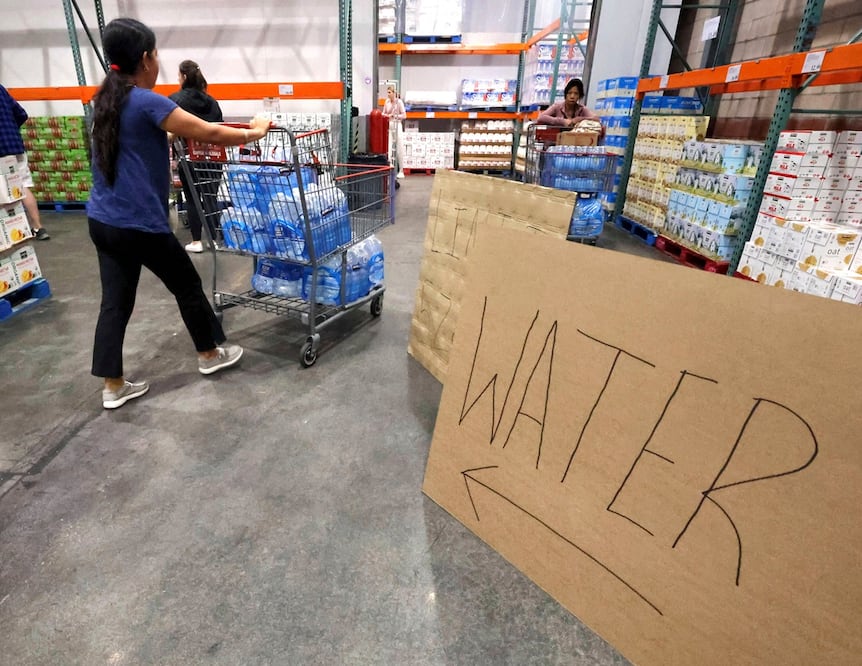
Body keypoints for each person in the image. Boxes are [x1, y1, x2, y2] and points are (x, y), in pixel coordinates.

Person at [88, 17, 270, 409]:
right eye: (156, 55)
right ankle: (209, 355)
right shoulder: (147, 100)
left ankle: (113, 385)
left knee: (114, 301)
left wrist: (168, 132)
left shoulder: (103, 100)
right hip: (140, 224)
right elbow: (210, 131)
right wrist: (254, 132)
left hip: (102, 221)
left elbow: (139, 138)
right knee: (187, 285)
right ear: (145, 58)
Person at [169, 59, 223, 254]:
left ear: (183, 76)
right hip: (213, 157)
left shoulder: (175, 100)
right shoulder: (212, 102)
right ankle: (214, 239)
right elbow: (220, 128)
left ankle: (196, 241)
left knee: (192, 198)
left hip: (189, 157)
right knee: (211, 197)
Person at [0, 85, 50, 240]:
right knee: (22, 186)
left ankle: (10, 233)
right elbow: (21, 114)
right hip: (15, 145)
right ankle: (38, 227)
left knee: (3, 192)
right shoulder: (1, 89)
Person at [382, 86, 406, 179]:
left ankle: (401, 170)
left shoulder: (399, 102)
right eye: (387, 92)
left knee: (400, 146)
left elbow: (404, 115)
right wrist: (388, 115)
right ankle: (390, 166)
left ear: (394, 93)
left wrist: (395, 116)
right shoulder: (386, 102)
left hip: (397, 124)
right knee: (389, 146)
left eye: (389, 92)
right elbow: (383, 113)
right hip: (390, 124)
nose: (388, 94)